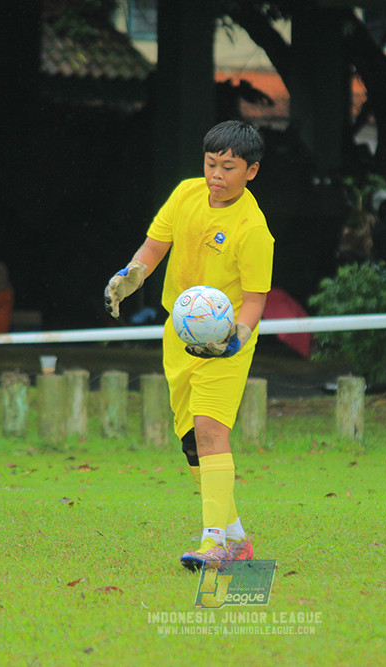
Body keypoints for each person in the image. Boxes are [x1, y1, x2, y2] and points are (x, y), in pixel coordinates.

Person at [103, 120, 273, 571]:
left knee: (212, 433)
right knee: (192, 444)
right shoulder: (185, 194)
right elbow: (152, 250)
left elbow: (254, 302)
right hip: (178, 339)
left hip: (226, 345)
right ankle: (237, 538)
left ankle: (213, 543)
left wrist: (234, 341)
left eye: (228, 167)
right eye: (210, 164)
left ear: (250, 172)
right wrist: (129, 277)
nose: (216, 174)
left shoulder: (253, 229)